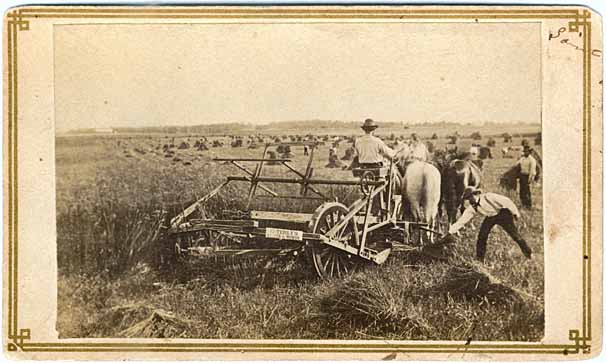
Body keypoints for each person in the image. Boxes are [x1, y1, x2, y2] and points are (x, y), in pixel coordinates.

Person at [447, 187, 532, 262]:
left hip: (503, 214)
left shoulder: (488, 197)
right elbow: (462, 220)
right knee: (482, 237)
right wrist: (450, 232)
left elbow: (506, 201)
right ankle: (480, 259)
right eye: (467, 199)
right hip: (490, 217)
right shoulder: (472, 207)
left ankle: (528, 253)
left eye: (470, 197)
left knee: (515, 235)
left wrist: (515, 213)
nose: (469, 200)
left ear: (476, 194)